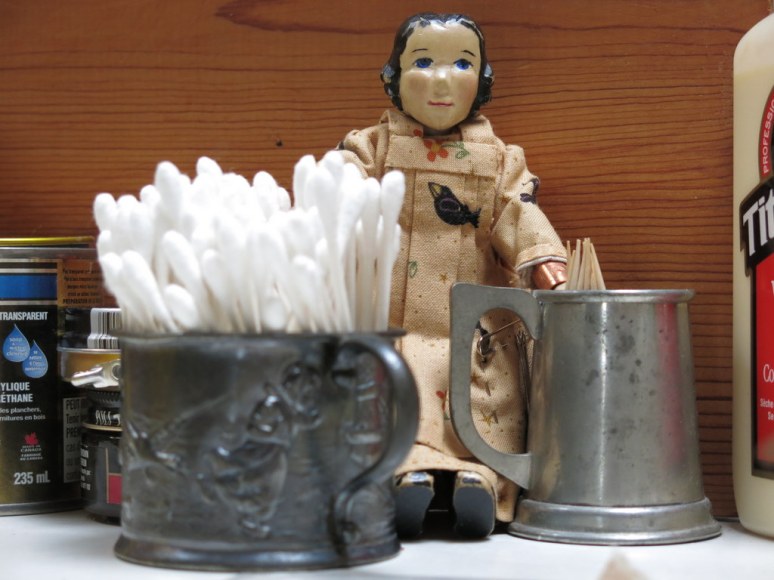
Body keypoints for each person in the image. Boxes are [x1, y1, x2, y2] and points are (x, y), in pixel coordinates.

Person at [336, 12, 567, 538]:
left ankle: (479, 480)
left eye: (462, 64)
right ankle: (405, 479)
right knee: (401, 396)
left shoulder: (499, 160)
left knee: (484, 402)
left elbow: (518, 211)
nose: (442, 80)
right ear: (394, 76)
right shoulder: (371, 148)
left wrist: (542, 258)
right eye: (423, 62)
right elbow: (337, 191)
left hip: (474, 331)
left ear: (482, 80)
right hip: (393, 327)